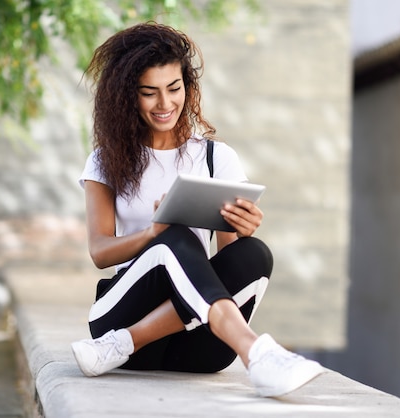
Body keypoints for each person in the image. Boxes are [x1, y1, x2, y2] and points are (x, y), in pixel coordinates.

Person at [71, 21, 324, 397]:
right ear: (128, 97)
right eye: (149, 93)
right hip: (119, 314)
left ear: (187, 87)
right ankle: (257, 354)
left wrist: (242, 229)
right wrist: (152, 234)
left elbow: (225, 261)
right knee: (172, 236)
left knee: (254, 252)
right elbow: (100, 252)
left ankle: (127, 341)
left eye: (174, 88)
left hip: (197, 347)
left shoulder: (213, 157)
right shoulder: (106, 160)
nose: (165, 104)